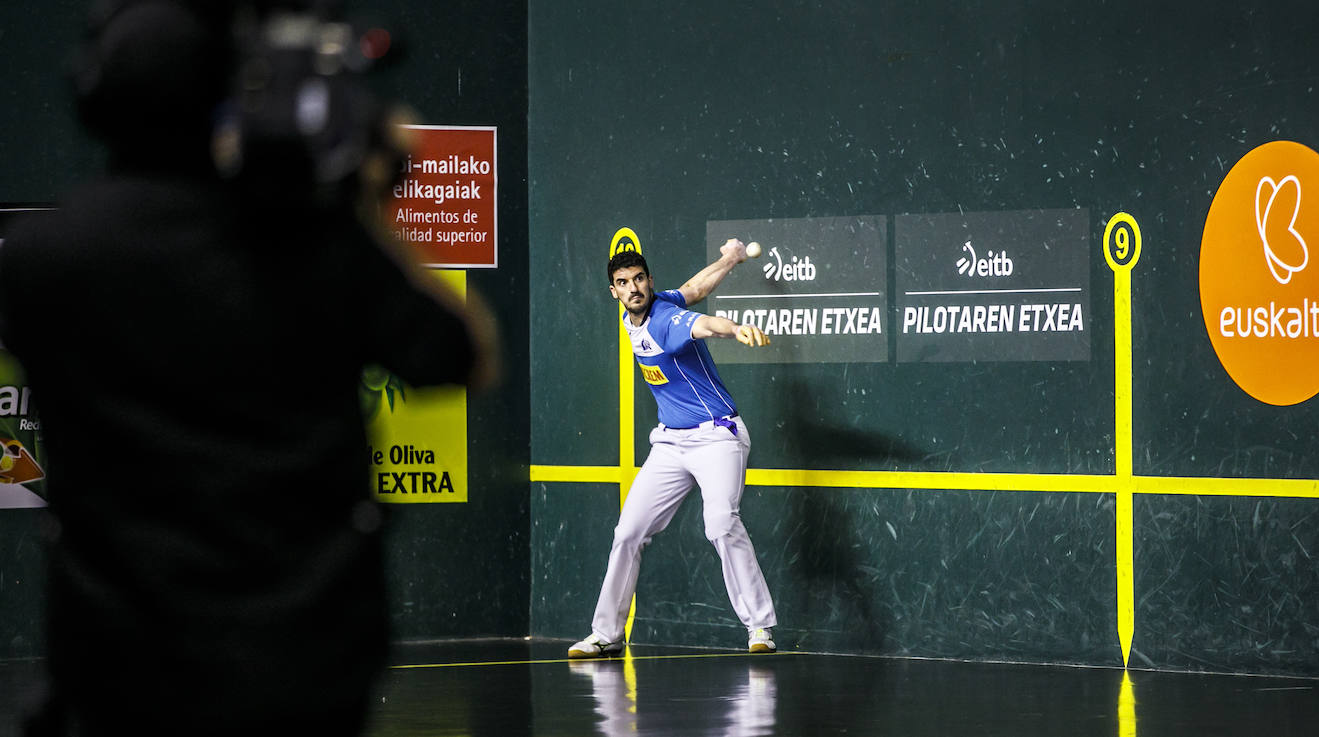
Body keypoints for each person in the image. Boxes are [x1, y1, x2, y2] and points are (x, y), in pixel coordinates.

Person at [0, 2, 498, 735]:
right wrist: (362, 208)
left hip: (117, 667)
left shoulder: (43, 260)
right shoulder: (312, 250)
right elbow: (464, 357)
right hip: (304, 669)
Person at [568, 240, 777, 658]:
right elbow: (695, 288)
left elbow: (703, 322)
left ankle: (760, 628)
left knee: (720, 522)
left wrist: (734, 329)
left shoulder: (664, 319)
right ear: (614, 292)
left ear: (649, 281)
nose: (634, 288)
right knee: (628, 532)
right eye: (623, 283)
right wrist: (730, 259)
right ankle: (606, 633)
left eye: (639, 279)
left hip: (717, 437)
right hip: (670, 442)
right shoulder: (646, 308)